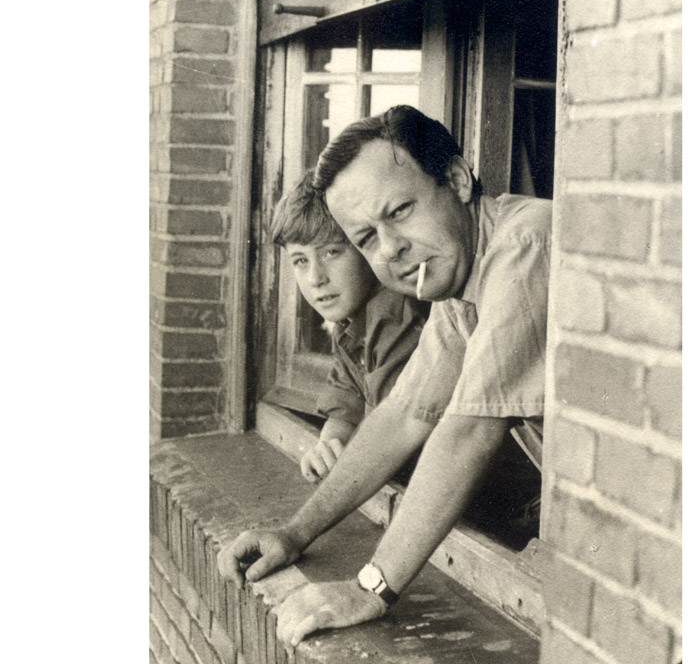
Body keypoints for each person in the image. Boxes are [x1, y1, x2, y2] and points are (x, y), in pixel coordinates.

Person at [219, 105, 551, 649]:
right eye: (367, 238)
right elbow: (403, 414)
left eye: (400, 211)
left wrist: (372, 588)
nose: (391, 247)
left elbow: (469, 430)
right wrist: (295, 533)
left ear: (457, 179)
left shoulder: (522, 244)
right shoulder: (460, 280)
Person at [269, 170, 430, 482]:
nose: (316, 278)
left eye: (331, 252)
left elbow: (391, 435)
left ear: (366, 246)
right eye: (300, 260)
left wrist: (343, 456)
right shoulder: (350, 318)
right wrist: (329, 446)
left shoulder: (393, 312)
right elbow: (346, 405)